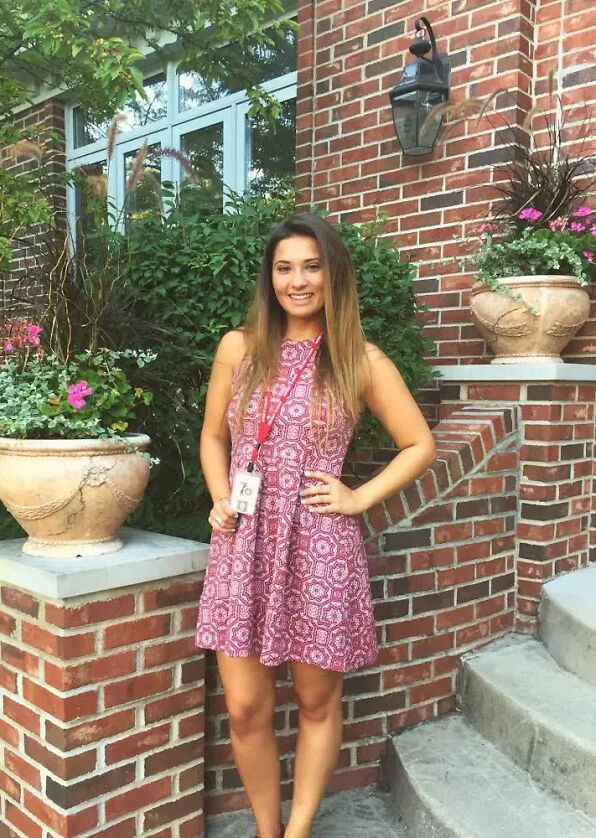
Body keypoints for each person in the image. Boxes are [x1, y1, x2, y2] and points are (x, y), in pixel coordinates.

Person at [195, 213, 436, 838]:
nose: (297, 281)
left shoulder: (359, 359)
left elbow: (419, 444)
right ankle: (265, 829)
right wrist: (221, 497)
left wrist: (358, 498)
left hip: (319, 544)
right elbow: (214, 437)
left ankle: (297, 831)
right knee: (245, 708)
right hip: (244, 542)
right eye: (284, 268)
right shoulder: (239, 347)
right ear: (269, 277)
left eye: (311, 266)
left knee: (315, 701)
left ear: (334, 275)